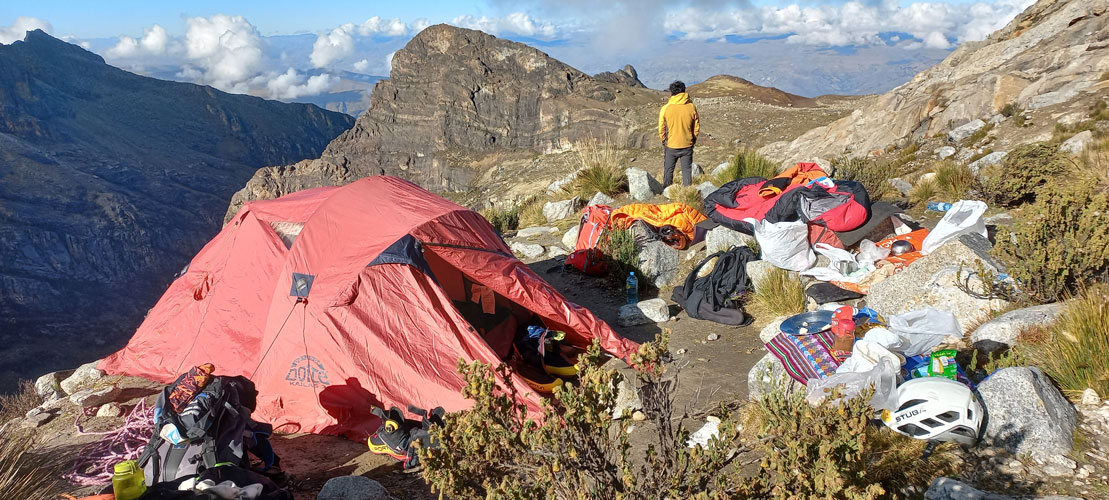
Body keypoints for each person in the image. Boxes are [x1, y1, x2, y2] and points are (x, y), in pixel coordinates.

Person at [658, 80, 700, 187]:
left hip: (671, 145)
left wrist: (663, 140)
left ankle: (667, 190)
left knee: (668, 169)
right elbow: (696, 126)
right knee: (687, 170)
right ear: (684, 92)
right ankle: (687, 192)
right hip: (687, 145)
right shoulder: (691, 107)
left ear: (671, 93)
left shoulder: (666, 108)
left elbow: (661, 127)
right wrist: (693, 139)